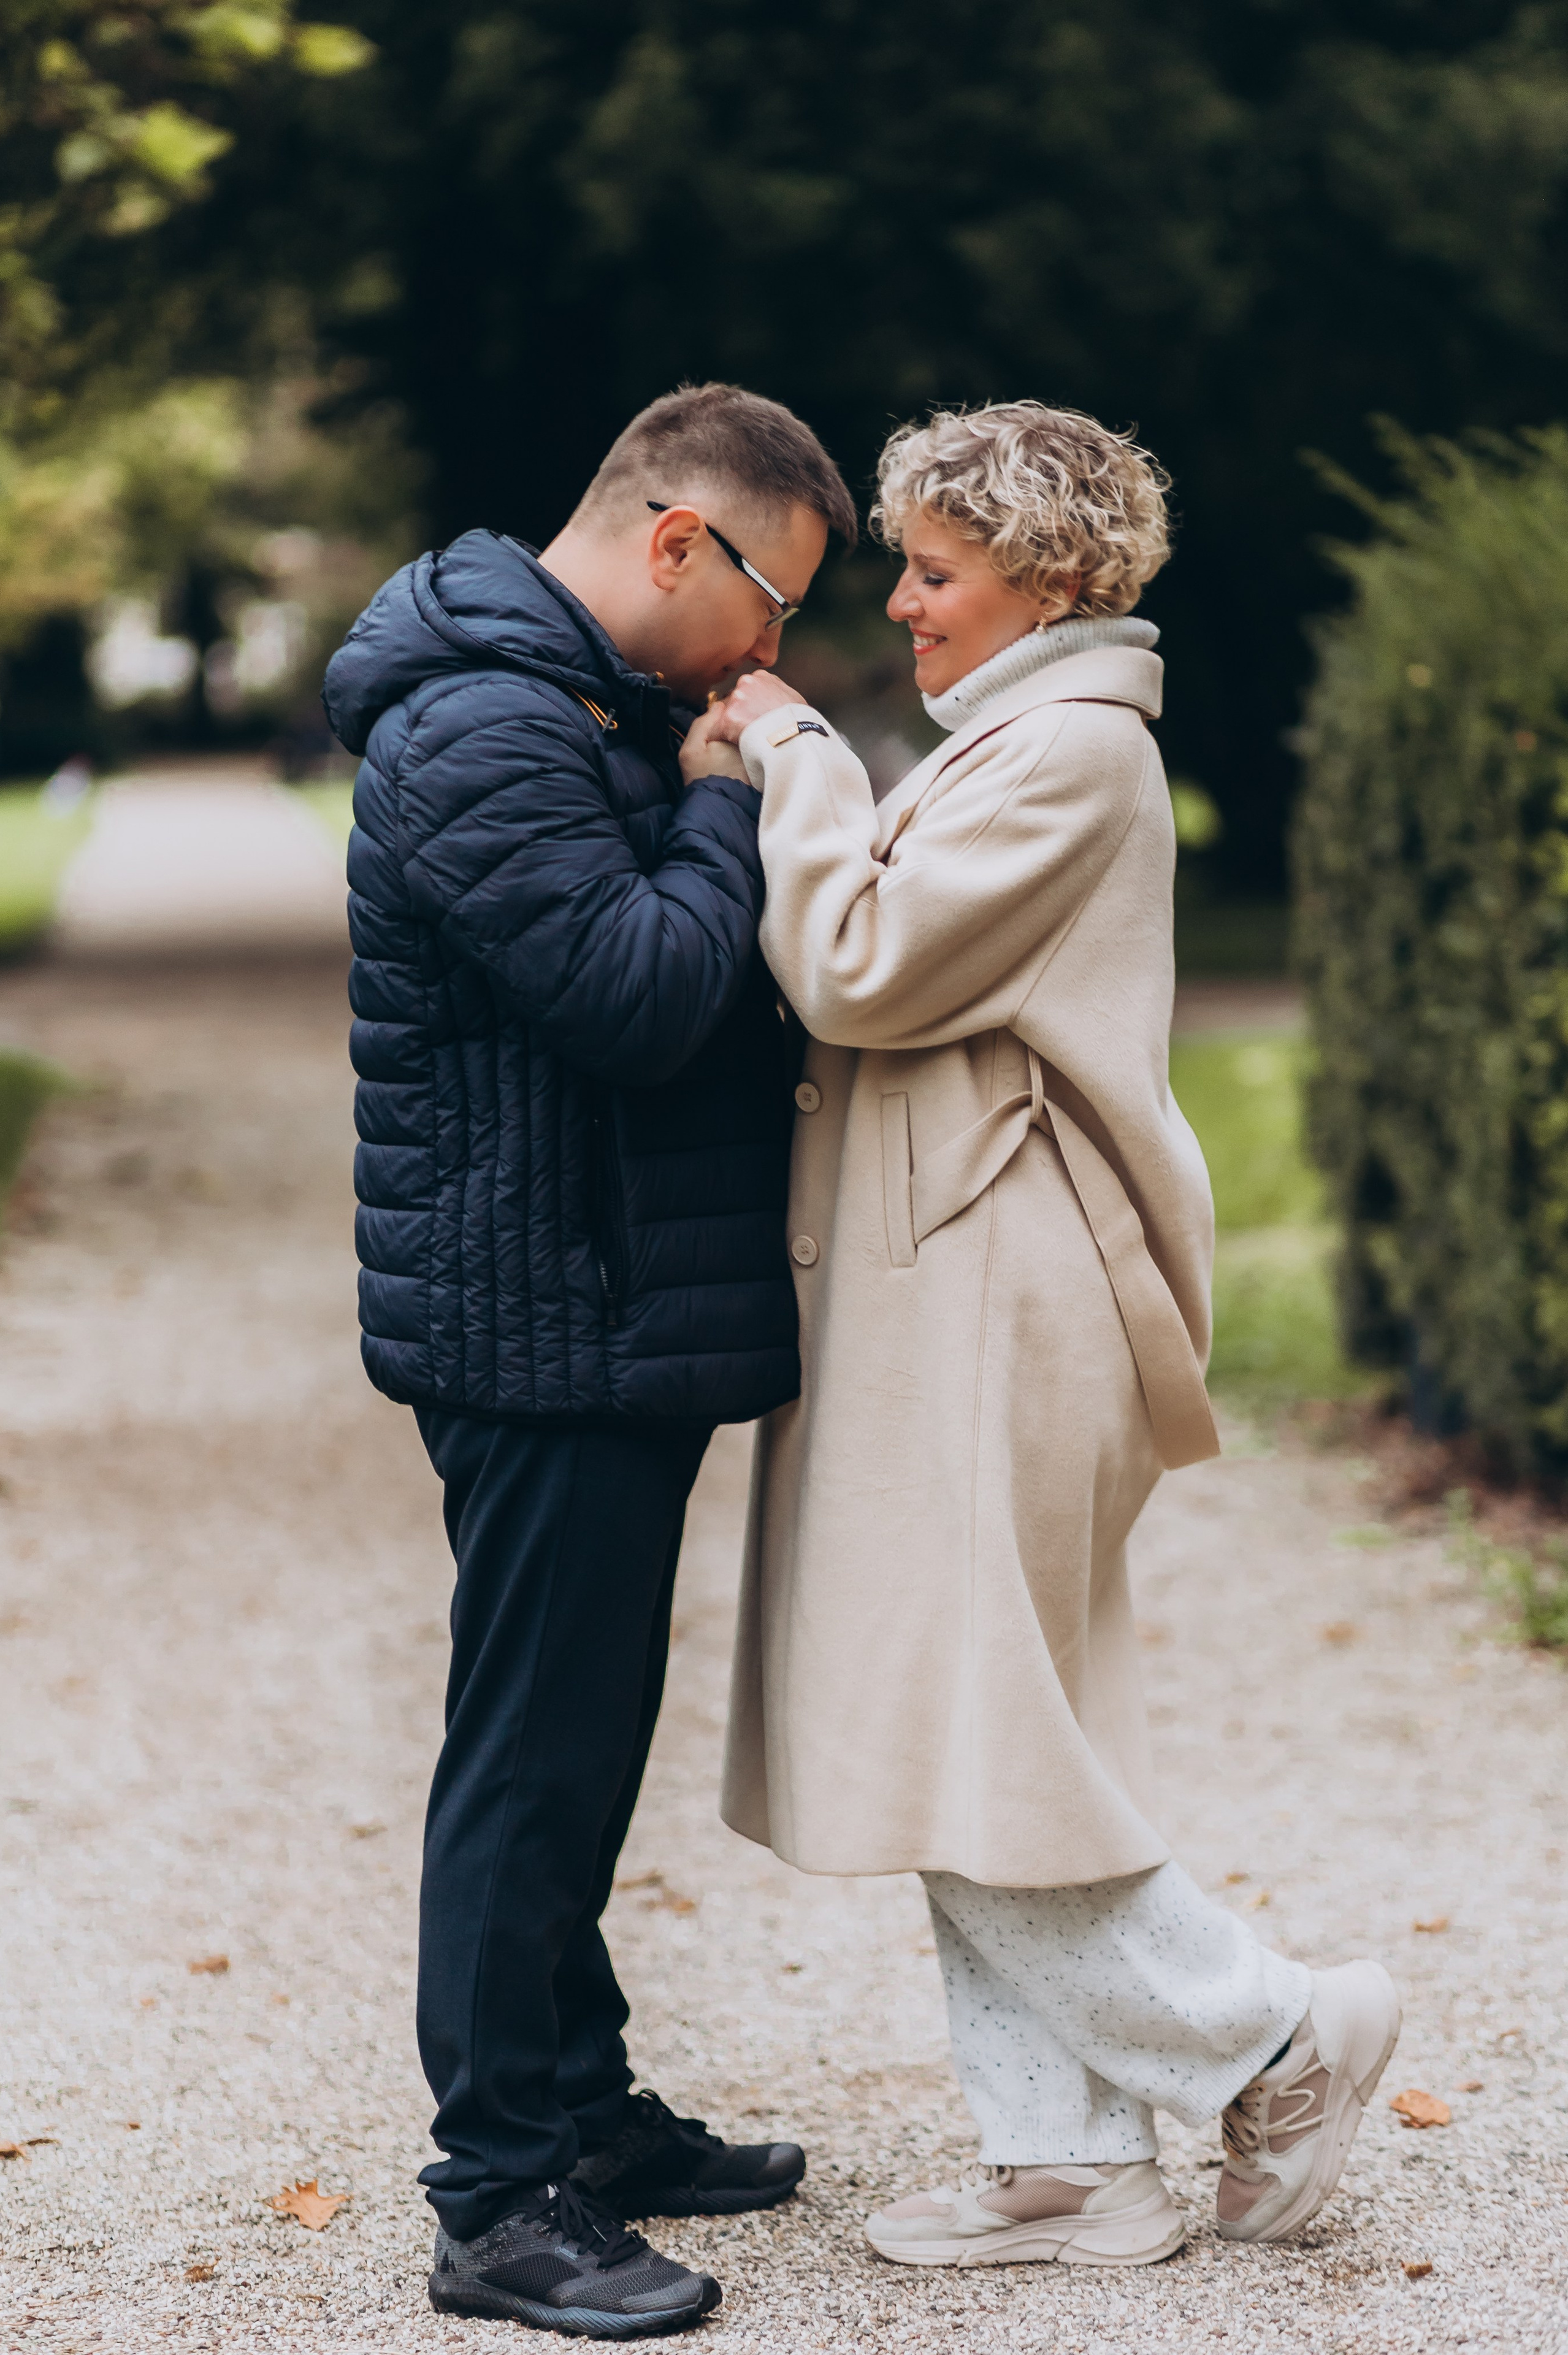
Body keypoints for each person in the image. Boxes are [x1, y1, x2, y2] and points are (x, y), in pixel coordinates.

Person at [692, 400, 1400, 2269]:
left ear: (1052, 579)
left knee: (964, 1715)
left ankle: (1267, 2033)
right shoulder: (1020, 740)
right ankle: (1067, 2161)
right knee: (970, 1723)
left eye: (937, 571)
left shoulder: (1070, 755)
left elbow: (860, 966)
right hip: (964, 1285)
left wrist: (790, 756)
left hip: (1002, 1293)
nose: (904, 606)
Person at [323, 383, 857, 2338]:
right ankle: (496, 2199)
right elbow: (635, 995)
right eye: (771, 600)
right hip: (537, 1321)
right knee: (532, 1757)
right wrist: (728, 803)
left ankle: (586, 2111)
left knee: (580, 1733)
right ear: (670, 542)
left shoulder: (573, 704)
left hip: (600, 1305)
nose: (776, 652)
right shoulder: (477, 723)